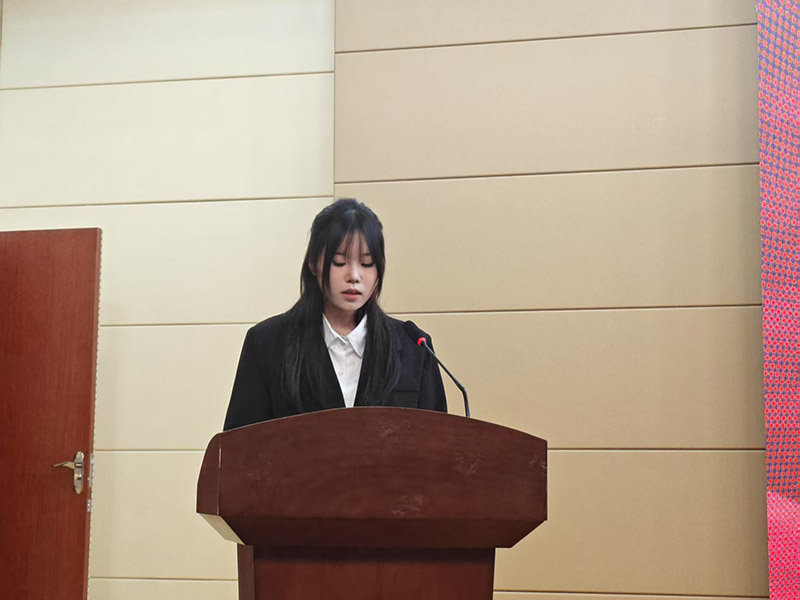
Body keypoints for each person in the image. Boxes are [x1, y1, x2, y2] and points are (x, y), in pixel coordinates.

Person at [223, 198, 447, 430]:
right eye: (339, 262)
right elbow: (238, 445)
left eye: (367, 263)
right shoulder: (267, 344)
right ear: (313, 264)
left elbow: (437, 442)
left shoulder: (414, 347)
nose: (354, 276)